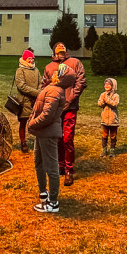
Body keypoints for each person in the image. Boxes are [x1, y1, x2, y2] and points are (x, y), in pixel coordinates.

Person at [27, 64, 75, 214]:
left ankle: (53, 202)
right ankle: (43, 194)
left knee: (52, 168)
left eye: (58, 72)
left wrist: (32, 124)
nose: (54, 72)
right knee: (39, 163)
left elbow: (47, 115)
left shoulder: (55, 91)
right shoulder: (53, 88)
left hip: (47, 133)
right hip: (42, 132)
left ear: (61, 77)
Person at [40, 43, 86, 186]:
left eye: (63, 46)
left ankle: (69, 170)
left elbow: (81, 81)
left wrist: (71, 97)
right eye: (57, 46)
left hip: (70, 107)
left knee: (68, 139)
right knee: (58, 138)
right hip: (55, 109)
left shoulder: (75, 63)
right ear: (54, 51)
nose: (60, 46)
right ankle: (60, 165)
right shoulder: (49, 67)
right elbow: (44, 86)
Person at [13, 49, 40, 153]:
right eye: (29, 59)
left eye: (32, 59)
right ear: (25, 59)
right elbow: (21, 86)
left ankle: (38, 142)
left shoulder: (36, 70)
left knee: (37, 122)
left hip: (35, 101)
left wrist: (39, 92)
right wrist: (36, 93)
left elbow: (40, 82)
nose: (31, 61)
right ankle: (23, 142)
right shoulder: (20, 70)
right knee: (23, 122)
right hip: (24, 101)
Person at [98, 78, 120, 157]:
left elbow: (114, 104)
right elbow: (99, 103)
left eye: (108, 84)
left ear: (113, 86)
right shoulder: (102, 95)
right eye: (105, 84)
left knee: (113, 135)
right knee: (104, 135)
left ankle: (112, 150)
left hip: (113, 120)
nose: (106, 86)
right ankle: (104, 150)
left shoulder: (116, 96)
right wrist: (103, 102)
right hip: (104, 119)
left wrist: (107, 100)